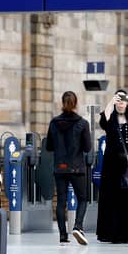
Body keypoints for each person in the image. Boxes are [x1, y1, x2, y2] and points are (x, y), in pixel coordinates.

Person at [96, 89, 128, 243]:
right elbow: (103, 122)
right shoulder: (110, 118)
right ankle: (114, 233)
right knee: (113, 198)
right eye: (119, 100)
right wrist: (111, 102)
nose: (121, 103)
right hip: (112, 164)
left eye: (123, 100)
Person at [46, 91, 91, 245]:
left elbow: (49, 146)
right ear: (76, 103)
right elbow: (87, 148)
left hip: (60, 168)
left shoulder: (54, 123)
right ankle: (78, 226)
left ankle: (62, 236)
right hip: (77, 168)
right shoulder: (83, 123)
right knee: (83, 199)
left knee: (61, 202)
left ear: (62, 102)